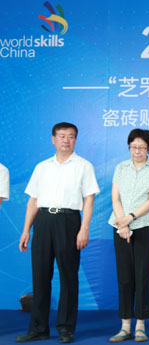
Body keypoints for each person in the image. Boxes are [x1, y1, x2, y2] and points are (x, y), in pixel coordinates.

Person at [17, 122, 99, 344]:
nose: (66, 140)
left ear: (75, 140)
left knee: (68, 277)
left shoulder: (84, 166)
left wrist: (84, 229)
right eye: (62, 136)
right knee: (40, 276)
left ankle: (65, 328)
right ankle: (38, 329)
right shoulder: (42, 167)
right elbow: (33, 200)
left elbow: (89, 200)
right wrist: (26, 230)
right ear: (53, 140)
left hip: (69, 221)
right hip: (43, 221)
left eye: (71, 136)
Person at [108, 129, 149, 343]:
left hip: (146, 227)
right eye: (133, 147)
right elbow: (116, 198)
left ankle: (140, 325)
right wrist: (122, 222)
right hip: (120, 226)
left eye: (142, 147)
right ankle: (125, 326)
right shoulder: (121, 167)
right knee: (124, 277)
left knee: (142, 276)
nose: (137, 151)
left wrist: (130, 218)